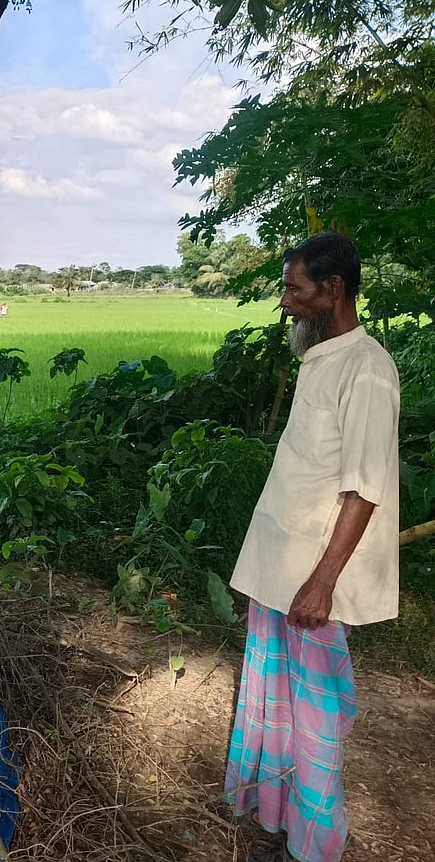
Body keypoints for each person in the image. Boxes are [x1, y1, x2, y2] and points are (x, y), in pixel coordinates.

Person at [224, 233, 400, 862]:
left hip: (310, 582)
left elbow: (365, 489)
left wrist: (322, 581)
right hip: (278, 570)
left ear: (333, 291)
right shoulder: (320, 358)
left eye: (295, 290)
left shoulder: (368, 369)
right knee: (275, 701)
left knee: (314, 716)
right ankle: (276, 816)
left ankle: (315, 844)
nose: (284, 302)